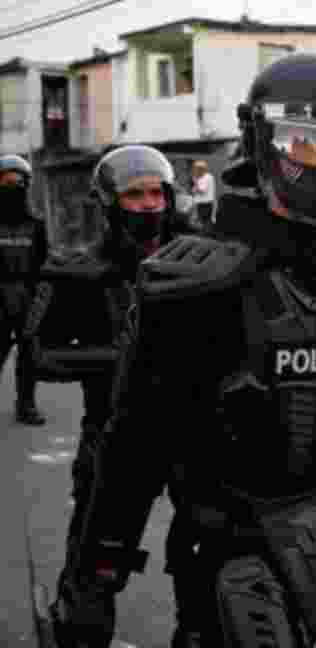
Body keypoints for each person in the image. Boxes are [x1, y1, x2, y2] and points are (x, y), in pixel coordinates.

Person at [51, 53, 316, 647]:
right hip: (226, 544)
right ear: (263, 146)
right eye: (307, 142)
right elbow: (135, 444)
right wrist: (95, 576)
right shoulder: (196, 284)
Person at [29, 145, 190, 626]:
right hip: (115, 433)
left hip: (195, 436)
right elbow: (40, 353)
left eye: (155, 193)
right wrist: (119, 360)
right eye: (134, 194)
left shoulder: (201, 263)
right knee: (96, 561)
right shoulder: (79, 272)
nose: (147, 204)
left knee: (206, 556)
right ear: (108, 202)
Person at [0, 154, 46, 425]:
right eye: (6, 181)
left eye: (18, 181)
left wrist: (41, 300)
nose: (12, 185)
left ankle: (26, 405)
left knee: (30, 355)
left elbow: (44, 264)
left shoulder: (36, 225)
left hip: (27, 298)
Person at [190, 159, 216, 229]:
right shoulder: (201, 177)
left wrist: (195, 182)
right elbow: (194, 191)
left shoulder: (207, 177)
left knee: (204, 223)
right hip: (201, 204)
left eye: (195, 169)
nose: (194, 171)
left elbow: (202, 191)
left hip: (205, 204)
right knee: (201, 222)